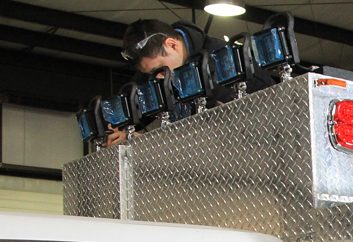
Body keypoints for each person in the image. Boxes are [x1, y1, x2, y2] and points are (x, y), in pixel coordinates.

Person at [103, 19, 273, 146]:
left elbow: (213, 136)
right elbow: (123, 109)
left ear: (172, 45)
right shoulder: (156, 70)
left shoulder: (224, 63)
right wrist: (116, 129)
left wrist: (144, 143)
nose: (158, 79)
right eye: (150, 74)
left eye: (161, 70)